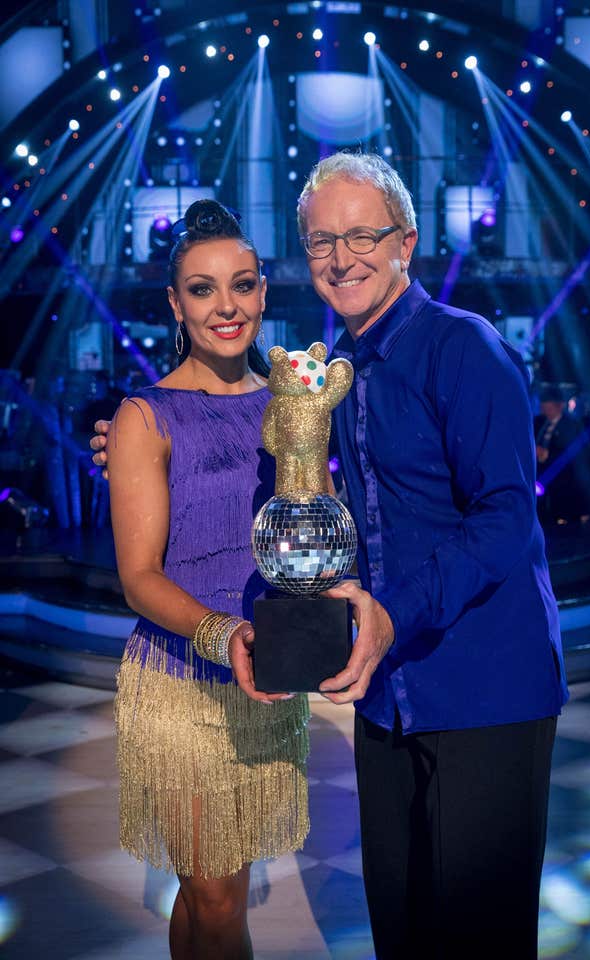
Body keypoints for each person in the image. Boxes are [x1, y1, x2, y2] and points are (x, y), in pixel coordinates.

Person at [93, 153, 568, 959]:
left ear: (406, 242)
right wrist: (126, 439)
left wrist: (384, 612)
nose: (341, 257)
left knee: (478, 934)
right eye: (321, 241)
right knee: (394, 924)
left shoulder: (457, 350)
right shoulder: (326, 385)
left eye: (361, 236)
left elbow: (504, 519)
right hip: (377, 695)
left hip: (482, 683)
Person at [103, 199, 309, 960]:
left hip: (271, 678)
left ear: (263, 293)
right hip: (184, 680)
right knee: (219, 897)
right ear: (174, 303)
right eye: (203, 288)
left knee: (209, 892)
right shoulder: (145, 416)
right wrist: (227, 637)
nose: (227, 305)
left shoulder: (292, 403)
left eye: (243, 284)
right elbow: (137, 577)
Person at [534, 384, 590, 524]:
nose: (546, 411)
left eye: (549, 408)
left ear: (559, 406)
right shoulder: (542, 424)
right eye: (544, 408)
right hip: (549, 478)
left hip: (568, 478)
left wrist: (547, 454)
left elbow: (575, 452)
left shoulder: (571, 425)